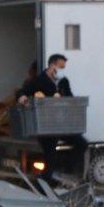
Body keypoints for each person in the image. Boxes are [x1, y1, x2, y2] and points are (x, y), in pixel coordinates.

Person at [17, 54, 86, 182]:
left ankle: (66, 170)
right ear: (52, 66)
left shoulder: (63, 81)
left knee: (82, 143)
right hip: (46, 126)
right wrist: (22, 97)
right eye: (61, 67)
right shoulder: (39, 80)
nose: (62, 70)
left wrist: (65, 99)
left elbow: (70, 98)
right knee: (50, 157)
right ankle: (45, 184)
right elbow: (22, 92)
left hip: (61, 124)